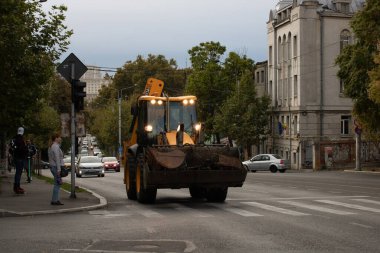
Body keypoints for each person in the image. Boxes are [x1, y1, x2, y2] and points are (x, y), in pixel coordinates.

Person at [48, 133, 64, 205]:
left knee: (57, 183)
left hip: (53, 166)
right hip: (55, 167)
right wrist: (59, 169)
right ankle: (55, 200)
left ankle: (55, 199)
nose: (60, 138)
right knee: (57, 183)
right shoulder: (55, 146)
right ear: (56, 138)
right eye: (59, 137)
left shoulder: (53, 146)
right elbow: (57, 158)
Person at [12, 127, 28, 194]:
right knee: (19, 173)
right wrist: (26, 150)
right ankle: (17, 187)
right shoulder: (21, 139)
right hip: (20, 158)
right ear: (23, 132)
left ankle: (17, 186)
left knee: (18, 173)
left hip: (16, 157)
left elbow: (12, 148)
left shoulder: (14, 139)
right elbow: (22, 149)